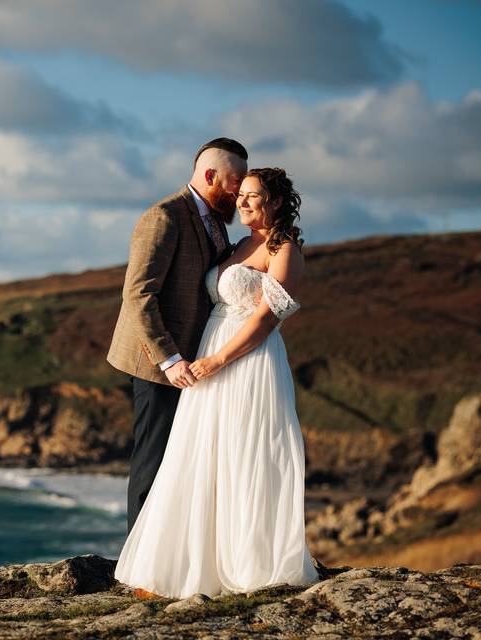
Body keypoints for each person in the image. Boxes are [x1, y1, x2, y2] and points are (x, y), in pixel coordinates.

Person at [113, 167, 320, 599]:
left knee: (246, 454)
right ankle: (192, 563)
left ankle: (249, 564)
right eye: (240, 195)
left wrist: (217, 360)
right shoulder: (240, 244)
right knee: (203, 451)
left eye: (253, 195)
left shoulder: (285, 249)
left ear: (277, 202)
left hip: (247, 360)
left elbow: (265, 320)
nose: (242, 202)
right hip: (213, 346)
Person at [107, 137, 248, 534]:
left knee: (180, 460)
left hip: (196, 362)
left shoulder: (216, 220)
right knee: (153, 460)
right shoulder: (164, 217)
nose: (239, 191)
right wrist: (169, 360)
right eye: (235, 181)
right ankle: (138, 562)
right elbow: (138, 294)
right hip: (157, 363)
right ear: (210, 176)